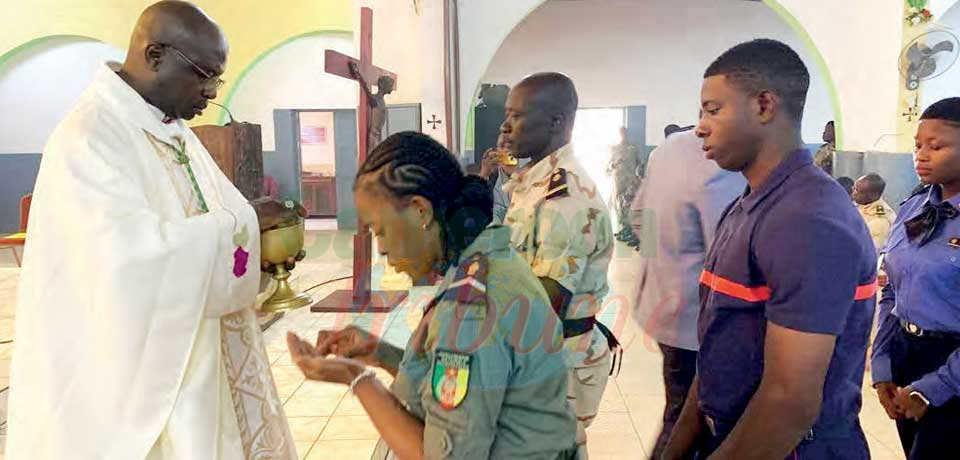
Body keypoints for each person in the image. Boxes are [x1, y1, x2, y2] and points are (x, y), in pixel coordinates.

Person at [6, 2, 299, 459]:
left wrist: (261, 249)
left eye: (217, 78)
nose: (211, 92)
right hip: (147, 378)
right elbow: (127, 263)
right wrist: (245, 224)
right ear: (155, 54)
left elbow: (218, 221)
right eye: (204, 74)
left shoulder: (172, 129)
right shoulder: (89, 138)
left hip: (207, 360)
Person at [286, 131, 578, 460]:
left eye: (381, 230)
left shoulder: (469, 310)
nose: (381, 249)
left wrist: (356, 377)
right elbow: (459, 384)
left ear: (420, 211)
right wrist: (380, 353)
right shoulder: (488, 256)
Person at [663, 39, 877, 460]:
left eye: (712, 110)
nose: (700, 127)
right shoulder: (748, 205)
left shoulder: (808, 220)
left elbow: (788, 403)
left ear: (763, 106)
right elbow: (715, 356)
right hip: (733, 436)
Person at [500, 72, 617, 458]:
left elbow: (545, 303)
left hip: (556, 361)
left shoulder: (564, 196)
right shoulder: (535, 183)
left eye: (517, 116)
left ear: (555, 122)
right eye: (507, 115)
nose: (505, 126)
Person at [630, 130, 745, 460]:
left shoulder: (670, 148)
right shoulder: (722, 162)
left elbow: (639, 216)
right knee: (688, 423)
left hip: (664, 306)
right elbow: (728, 253)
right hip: (697, 322)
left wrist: (660, 261)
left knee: (680, 411)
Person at [870, 97, 960, 460]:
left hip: (952, 365)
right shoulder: (914, 208)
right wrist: (882, 362)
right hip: (906, 355)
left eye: (935, 147)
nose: (920, 156)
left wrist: (935, 388)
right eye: (917, 145)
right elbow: (893, 289)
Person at [350, 62, 395, 153]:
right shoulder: (375, 100)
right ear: (383, 85)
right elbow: (365, 87)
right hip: (374, 137)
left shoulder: (380, 100)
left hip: (378, 135)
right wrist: (357, 74)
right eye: (390, 85)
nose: (391, 88)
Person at [607, 126, 641, 247]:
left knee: (629, 205)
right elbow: (608, 166)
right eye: (621, 133)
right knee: (619, 206)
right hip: (618, 181)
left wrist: (638, 177)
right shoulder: (614, 149)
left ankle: (630, 230)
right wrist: (614, 164)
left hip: (630, 181)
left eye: (625, 133)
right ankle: (624, 228)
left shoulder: (633, 148)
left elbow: (639, 164)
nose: (623, 135)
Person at [852, 173, 897, 255]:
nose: (854, 193)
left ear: (872, 195)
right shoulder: (862, 204)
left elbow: (872, 252)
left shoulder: (880, 221)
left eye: (858, 191)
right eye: (854, 188)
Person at [479, 133, 518, 224]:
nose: (507, 150)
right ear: (496, 152)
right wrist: (484, 172)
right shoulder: (492, 177)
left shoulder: (532, 174)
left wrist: (515, 174)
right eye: (502, 146)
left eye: (511, 145)